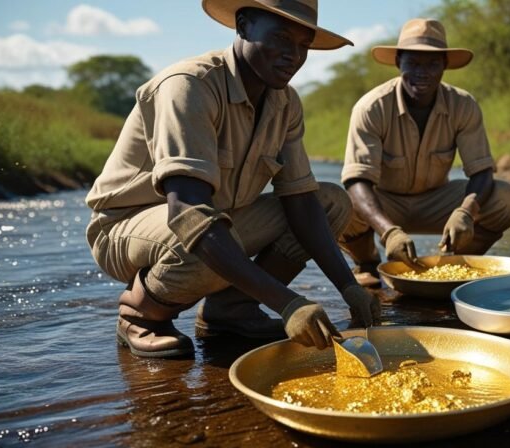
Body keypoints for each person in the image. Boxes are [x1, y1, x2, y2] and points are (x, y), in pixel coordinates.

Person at [85, 0, 380, 359]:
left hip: (216, 219)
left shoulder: (285, 103)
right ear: (243, 26)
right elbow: (188, 212)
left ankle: (231, 310)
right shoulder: (190, 86)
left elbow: (301, 199)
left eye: (304, 45)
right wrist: (289, 304)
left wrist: (349, 286)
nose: (294, 55)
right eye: (283, 38)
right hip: (125, 227)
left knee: (330, 202)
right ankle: (140, 315)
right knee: (198, 238)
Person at [339, 18, 510, 286]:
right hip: (384, 202)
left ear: (445, 66)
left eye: (432, 64)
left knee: (506, 198)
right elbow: (357, 182)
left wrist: (466, 212)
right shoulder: (371, 108)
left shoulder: (463, 105)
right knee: (335, 206)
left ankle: (453, 263)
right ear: (398, 62)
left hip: (438, 201)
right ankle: (367, 263)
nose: (422, 73)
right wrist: (389, 232)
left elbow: (482, 171)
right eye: (413, 63)